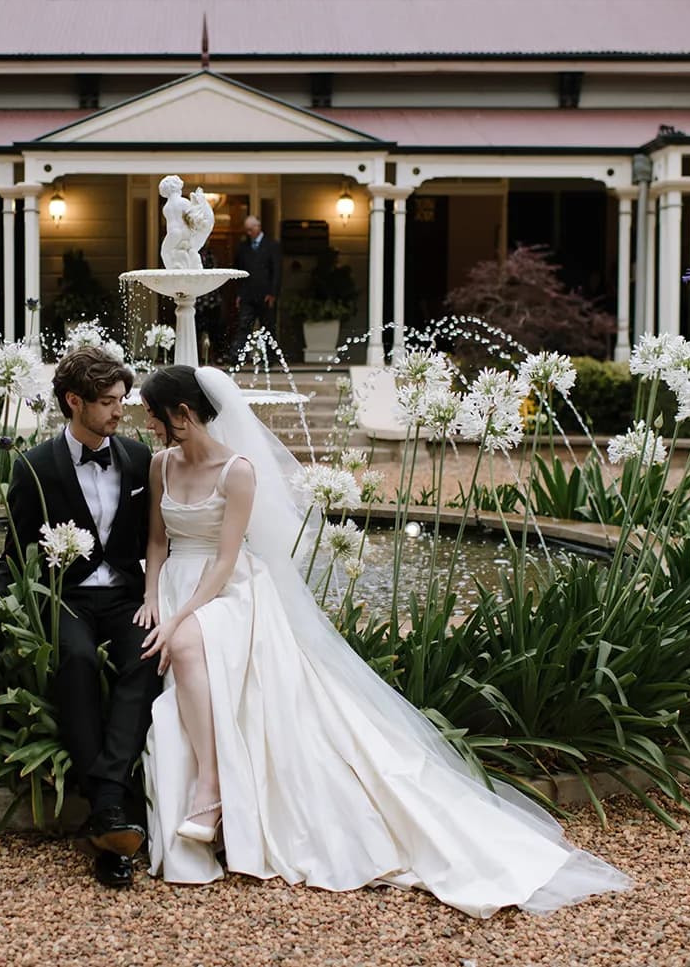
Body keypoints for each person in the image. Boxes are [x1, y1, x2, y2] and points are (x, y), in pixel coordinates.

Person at [133, 365, 632, 916]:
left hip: (226, 593)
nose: (149, 426)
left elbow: (227, 561)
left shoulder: (238, 471)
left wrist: (179, 621)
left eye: (155, 416)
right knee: (175, 647)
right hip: (176, 583)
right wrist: (154, 597)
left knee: (183, 646)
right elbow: (158, 542)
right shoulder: (161, 465)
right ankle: (207, 781)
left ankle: (211, 786)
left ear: (182, 413)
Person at [0, 347, 161, 890]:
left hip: (126, 596)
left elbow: (161, 540)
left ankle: (104, 805)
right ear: (74, 402)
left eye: (123, 400)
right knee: (71, 658)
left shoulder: (140, 459)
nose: (121, 412)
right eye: (108, 403)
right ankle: (113, 808)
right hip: (62, 595)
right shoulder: (34, 466)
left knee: (146, 654)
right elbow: (13, 556)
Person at [228, 217, 282, 361]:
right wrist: (239, 294)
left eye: (251, 229)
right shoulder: (243, 247)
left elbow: (277, 271)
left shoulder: (272, 245)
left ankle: (269, 358)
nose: (249, 232)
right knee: (244, 325)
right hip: (247, 295)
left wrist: (273, 293)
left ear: (258, 227)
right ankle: (237, 357)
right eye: (247, 230)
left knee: (268, 327)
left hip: (266, 295)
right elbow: (238, 270)